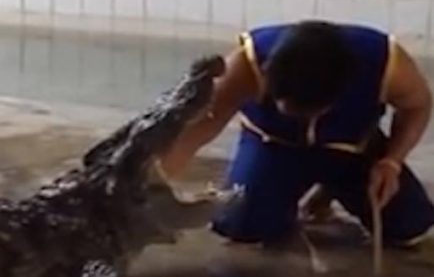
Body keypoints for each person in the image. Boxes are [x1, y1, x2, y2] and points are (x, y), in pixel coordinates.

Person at [158, 20, 434, 247]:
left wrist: (392, 161)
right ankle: (281, 199)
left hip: (352, 148)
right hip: (275, 146)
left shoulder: (385, 61)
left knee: (409, 227)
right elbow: (202, 127)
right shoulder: (248, 62)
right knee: (241, 228)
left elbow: (418, 106)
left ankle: (332, 188)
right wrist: (157, 181)